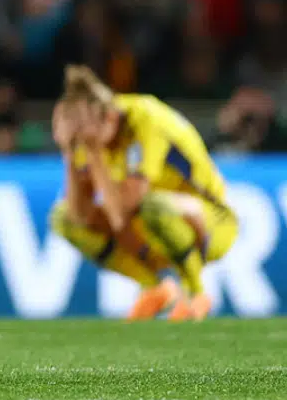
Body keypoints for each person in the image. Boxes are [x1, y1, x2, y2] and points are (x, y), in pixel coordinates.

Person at [49, 65, 238, 321]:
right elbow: (80, 216)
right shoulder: (91, 130)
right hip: (151, 231)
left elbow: (123, 212)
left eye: (86, 138)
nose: (85, 142)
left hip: (210, 224)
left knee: (153, 205)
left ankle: (195, 293)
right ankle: (155, 288)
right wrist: (69, 153)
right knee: (62, 218)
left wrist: (93, 153)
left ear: (111, 118)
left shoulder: (147, 120)